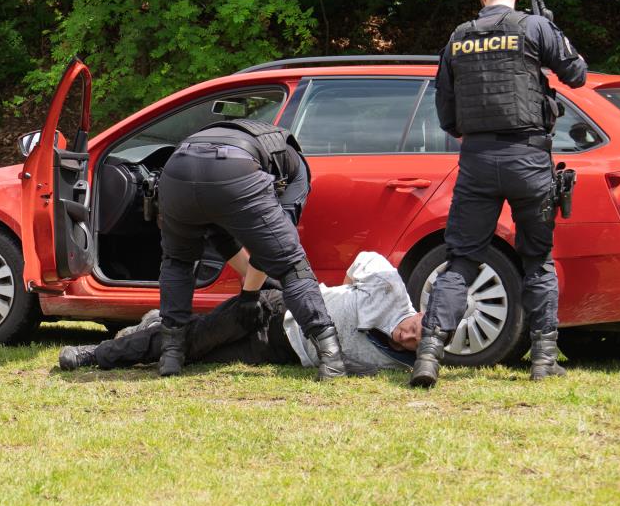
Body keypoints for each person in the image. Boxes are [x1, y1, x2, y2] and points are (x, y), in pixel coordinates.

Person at [410, 0, 588, 388]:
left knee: (462, 259)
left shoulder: (458, 37)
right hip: (528, 159)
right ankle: (543, 359)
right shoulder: (535, 28)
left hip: (476, 160)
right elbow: (577, 74)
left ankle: (428, 356)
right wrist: (554, 31)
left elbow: (446, 109)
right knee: (537, 259)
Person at [155, 118, 348, 379]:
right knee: (292, 265)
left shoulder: (248, 143)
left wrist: (250, 290)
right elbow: (275, 248)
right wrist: (249, 295)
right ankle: (332, 358)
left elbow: (219, 235)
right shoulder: (298, 169)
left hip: (176, 168)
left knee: (178, 262)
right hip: (233, 168)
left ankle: (171, 356)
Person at [61, 252, 419, 376]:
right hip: (273, 309)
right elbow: (363, 260)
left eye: (415, 342)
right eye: (414, 327)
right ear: (421, 312)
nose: (407, 336)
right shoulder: (390, 289)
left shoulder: (403, 364)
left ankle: (154, 326)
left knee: (196, 356)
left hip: (278, 352)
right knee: (186, 344)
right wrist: (337, 296)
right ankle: (95, 354)